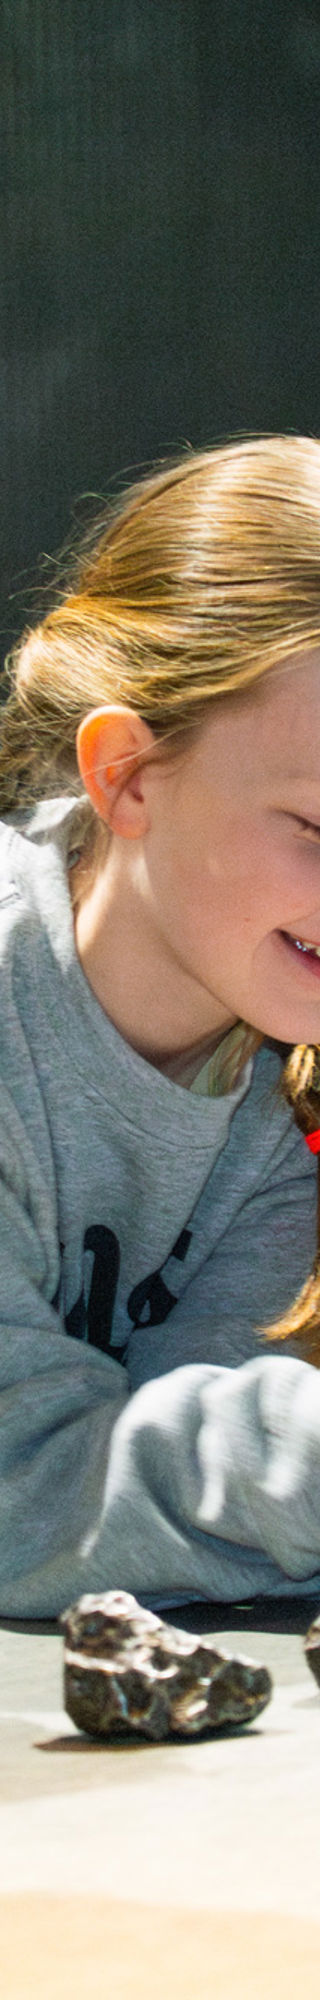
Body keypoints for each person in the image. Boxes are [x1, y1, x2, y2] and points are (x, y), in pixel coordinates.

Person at [2, 433, 320, 1619]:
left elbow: (179, 1463)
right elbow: (22, 1503)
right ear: (128, 774)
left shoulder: (277, 1060)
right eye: (315, 829)